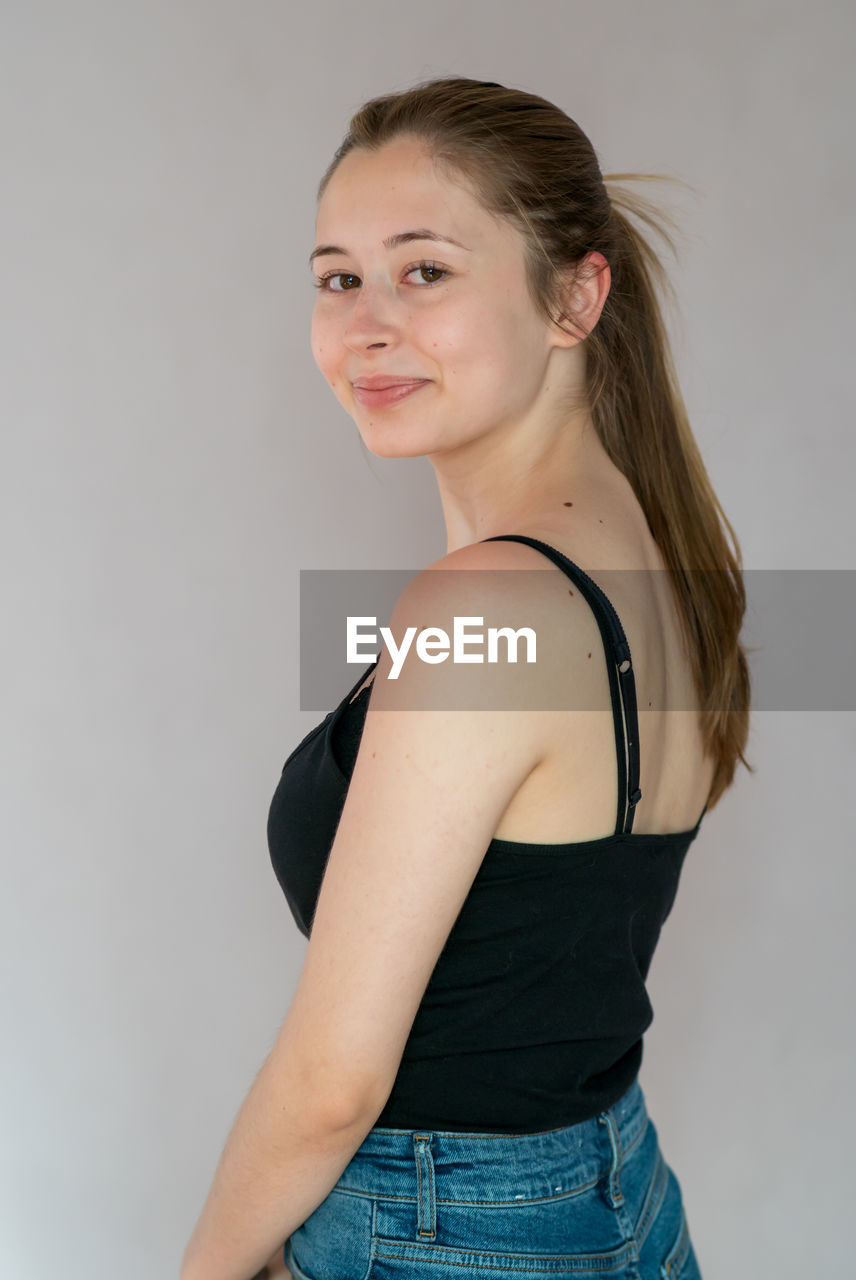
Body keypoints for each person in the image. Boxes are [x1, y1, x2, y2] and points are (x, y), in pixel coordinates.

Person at [181, 75, 753, 1280]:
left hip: (445, 1228)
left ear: (574, 295)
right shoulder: (666, 560)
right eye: (339, 277)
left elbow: (333, 1081)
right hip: (617, 1194)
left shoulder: (478, 608)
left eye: (425, 270)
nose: (366, 324)